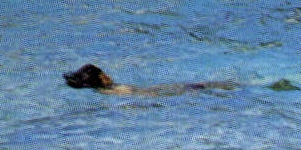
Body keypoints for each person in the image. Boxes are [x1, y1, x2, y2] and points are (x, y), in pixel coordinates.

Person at [63, 63, 236, 96]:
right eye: (104, 74)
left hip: (159, 90)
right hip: (163, 92)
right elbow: (144, 96)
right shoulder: (116, 91)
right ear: (100, 78)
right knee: (208, 86)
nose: (108, 75)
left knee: (208, 85)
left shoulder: (105, 91)